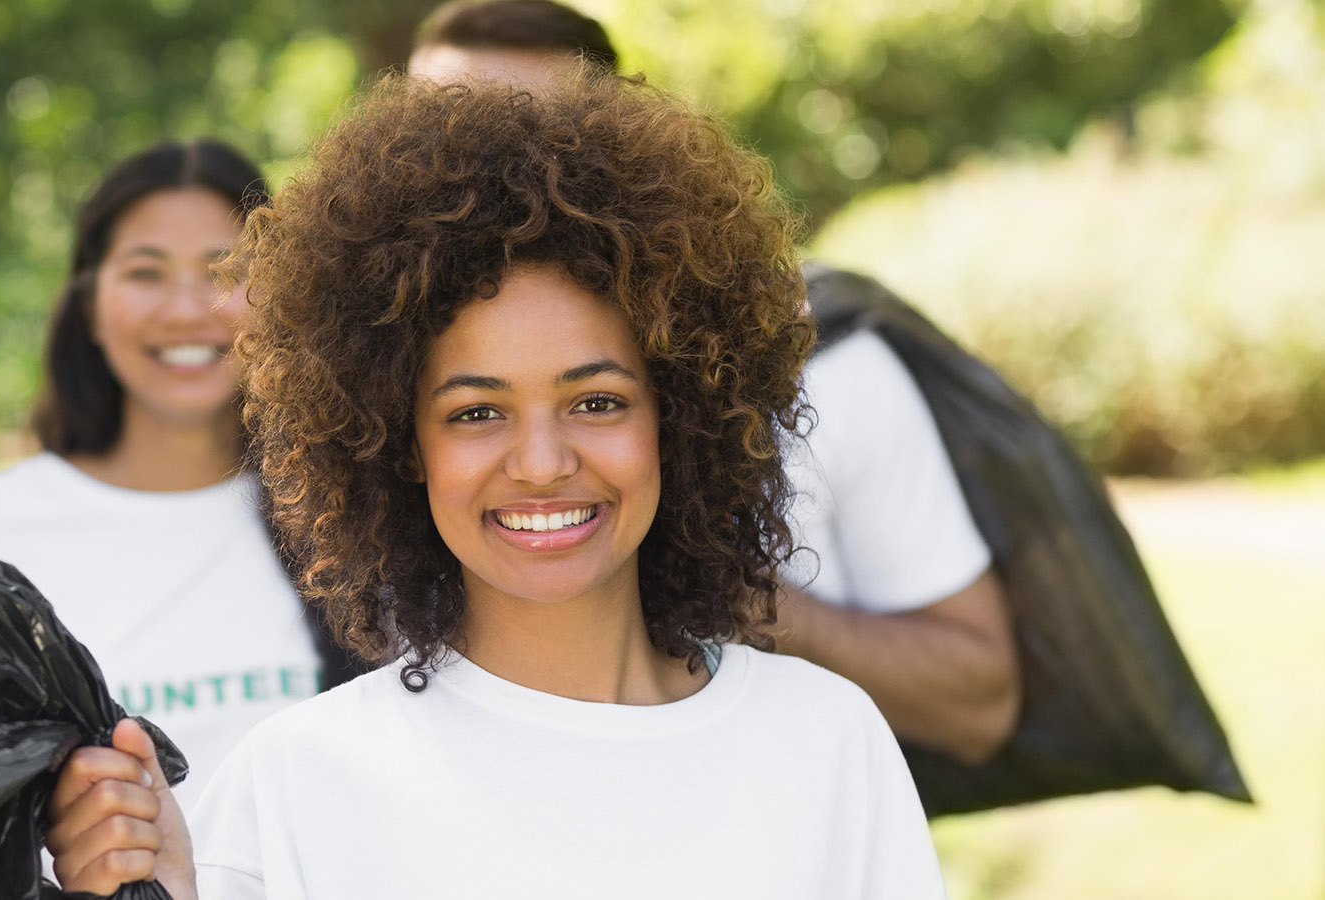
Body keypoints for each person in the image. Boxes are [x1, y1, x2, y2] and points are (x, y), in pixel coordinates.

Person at [45, 74, 945, 898]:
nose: (543, 461)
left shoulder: (825, 740)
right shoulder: (300, 781)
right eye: (477, 412)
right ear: (399, 446)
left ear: (681, 416)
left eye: (596, 401)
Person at [407, 0, 1021, 766]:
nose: (486, 194)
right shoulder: (357, 407)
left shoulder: (832, 370)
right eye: (435, 147)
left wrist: (706, 580)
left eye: (540, 145)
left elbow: (980, 701)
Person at [0, 140, 347, 806]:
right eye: (146, 273)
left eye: (224, 269)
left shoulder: (341, 514)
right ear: (88, 304)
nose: (185, 308)